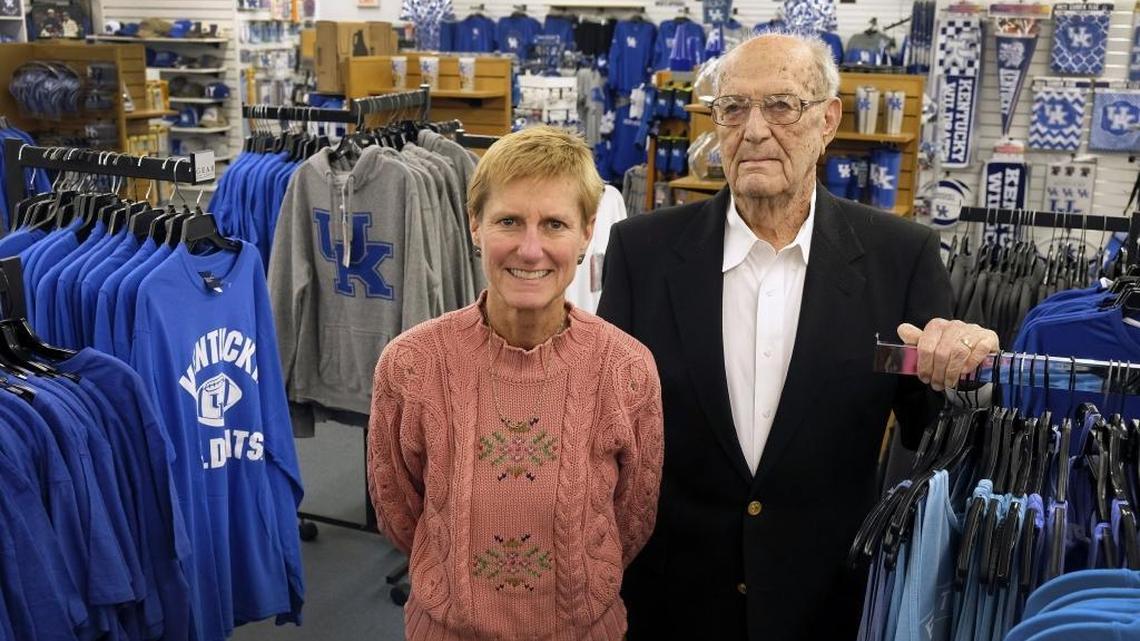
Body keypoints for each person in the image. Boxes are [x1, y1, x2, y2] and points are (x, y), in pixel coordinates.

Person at [597, 33, 999, 641]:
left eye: (781, 105)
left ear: (828, 120)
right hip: (671, 605)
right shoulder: (642, 252)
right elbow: (604, 433)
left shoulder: (900, 257)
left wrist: (969, 370)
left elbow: (932, 431)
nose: (753, 129)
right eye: (732, 107)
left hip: (825, 604)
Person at [367, 126, 664, 641]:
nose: (530, 249)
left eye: (554, 224)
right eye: (509, 221)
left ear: (587, 232)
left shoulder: (627, 369)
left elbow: (632, 518)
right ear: (474, 224)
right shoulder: (410, 365)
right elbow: (399, 511)